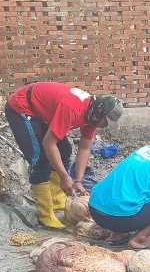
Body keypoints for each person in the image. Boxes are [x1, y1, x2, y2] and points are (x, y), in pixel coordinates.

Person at [4, 82, 123, 229]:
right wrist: (65, 177)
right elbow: (49, 143)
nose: (104, 126)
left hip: (40, 109)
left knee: (65, 149)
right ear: (100, 114)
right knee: (40, 158)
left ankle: (56, 201)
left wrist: (78, 181)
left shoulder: (92, 115)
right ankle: (46, 214)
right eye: (106, 122)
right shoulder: (73, 108)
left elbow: (85, 147)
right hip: (23, 106)